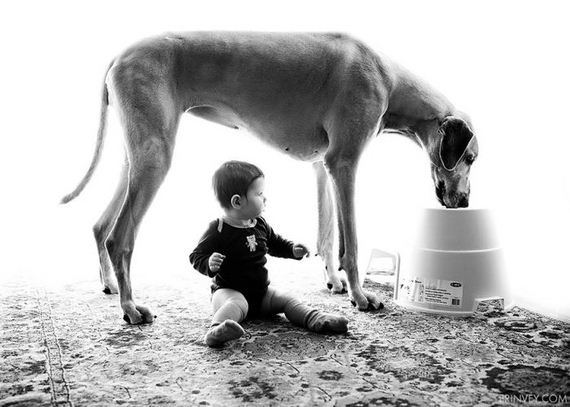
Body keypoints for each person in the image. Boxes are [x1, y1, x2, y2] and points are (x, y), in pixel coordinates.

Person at [190, 161, 348, 347]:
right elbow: (196, 255)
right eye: (259, 194)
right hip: (228, 291)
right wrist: (209, 263)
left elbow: (275, 243)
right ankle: (216, 330)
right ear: (237, 201)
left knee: (288, 299)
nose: (265, 198)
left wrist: (292, 249)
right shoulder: (218, 228)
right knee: (236, 304)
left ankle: (316, 318)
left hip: (261, 292)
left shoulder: (260, 224)